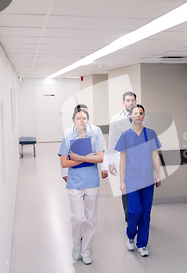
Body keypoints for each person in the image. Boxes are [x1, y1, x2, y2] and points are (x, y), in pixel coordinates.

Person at [58, 108, 104, 265]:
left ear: (87, 121)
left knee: (91, 219)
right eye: (78, 118)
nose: (82, 120)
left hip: (92, 182)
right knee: (78, 218)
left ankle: (85, 251)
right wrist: (85, 158)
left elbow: (99, 158)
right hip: (75, 183)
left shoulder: (94, 137)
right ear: (73, 121)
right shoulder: (68, 138)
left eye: (84, 118)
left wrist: (76, 157)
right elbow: (64, 162)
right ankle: (76, 246)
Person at [115, 104, 162, 257]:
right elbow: (122, 160)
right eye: (135, 113)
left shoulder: (150, 133)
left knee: (146, 213)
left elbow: (155, 155)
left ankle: (142, 244)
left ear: (143, 116)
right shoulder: (125, 135)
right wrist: (122, 181)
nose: (138, 115)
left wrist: (159, 175)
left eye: (140, 113)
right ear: (130, 116)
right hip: (132, 180)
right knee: (135, 211)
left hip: (148, 179)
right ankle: (130, 235)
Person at [107, 92, 137, 222]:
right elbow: (112, 142)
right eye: (128, 100)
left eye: (132, 100)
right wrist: (111, 163)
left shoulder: (141, 116)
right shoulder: (115, 119)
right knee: (125, 189)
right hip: (122, 159)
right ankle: (128, 217)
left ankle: (138, 215)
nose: (130, 102)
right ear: (123, 102)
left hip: (139, 159)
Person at [62, 104, 108, 182]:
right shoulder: (68, 132)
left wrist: (104, 167)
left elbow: (103, 149)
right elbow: (64, 153)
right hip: (74, 167)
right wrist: (64, 173)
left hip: (92, 166)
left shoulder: (96, 130)